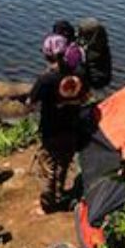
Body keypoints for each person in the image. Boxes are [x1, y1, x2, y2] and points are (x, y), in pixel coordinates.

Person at [29, 34, 88, 214]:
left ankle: (47, 205)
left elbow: (31, 101)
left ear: (48, 55)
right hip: (72, 127)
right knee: (63, 162)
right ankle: (60, 194)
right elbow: (85, 97)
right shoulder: (80, 73)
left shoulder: (47, 79)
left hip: (51, 129)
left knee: (48, 165)